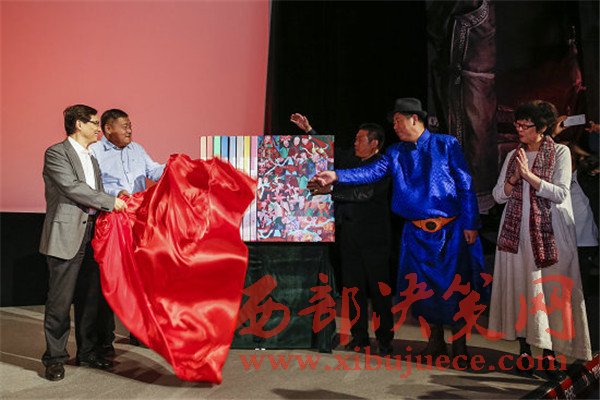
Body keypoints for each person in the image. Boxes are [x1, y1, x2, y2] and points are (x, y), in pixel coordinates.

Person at [310, 98, 485, 367]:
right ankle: (435, 342)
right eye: (393, 122)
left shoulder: (446, 144)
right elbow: (371, 171)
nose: (395, 127)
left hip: (449, 232)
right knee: (423, 290)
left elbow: (465, 183)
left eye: (398, 121)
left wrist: (471, 223)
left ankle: (460, 346)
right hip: (416, 234)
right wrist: (336, 176)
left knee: (455, 288)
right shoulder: (395, 153)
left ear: (415, 119)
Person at [488, 100, 592, 380]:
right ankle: (524, 352)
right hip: (516, 235)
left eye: (525, 125)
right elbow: (498, 195)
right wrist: (513, 179)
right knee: (521, 290)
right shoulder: (514, 155)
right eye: (517, 124)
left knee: (550, 292)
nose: (519, 129)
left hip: (551, 234)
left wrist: (529, 177)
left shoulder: (560, 152)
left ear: (543, 127)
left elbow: (560, 193)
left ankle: (549, 354)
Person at [291, 113, 394, 356]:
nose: (355, 143)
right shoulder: (351, 159)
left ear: (374, 143)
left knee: (379, 291)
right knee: (353, 289)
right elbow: (330, 152)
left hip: (375, 239)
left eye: (360, 139)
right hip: (349, 236)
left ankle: (384, 339)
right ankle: (359, 338)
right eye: (356, 139)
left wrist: (330, 191)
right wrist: (309, 130)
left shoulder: (382, 166)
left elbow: (363, 194)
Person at [40, 104, 127, 381]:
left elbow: (94, 193)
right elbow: (73, 188)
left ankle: (87, 353)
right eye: (94, 123)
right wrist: (110, 201)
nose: (98, 128)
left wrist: (116, 197)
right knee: (60, 301)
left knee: (90, 297)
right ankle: (54, 358)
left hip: (93, 233)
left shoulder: (92, 158)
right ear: (79, 124)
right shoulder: (56, 153)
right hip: (66, 234)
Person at [90, 109, 165, 352]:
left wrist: (175, 167)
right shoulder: (95, 151)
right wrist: (116, 194)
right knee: (113, 278)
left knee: (141, 278)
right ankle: (105, 339)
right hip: (112, 220)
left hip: (140, 221)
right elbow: (93, 185)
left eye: (130, 125)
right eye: (124, 126)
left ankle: (139, 331)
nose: (129, 129)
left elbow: (154, 171)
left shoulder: (137, 149)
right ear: (108, 128)